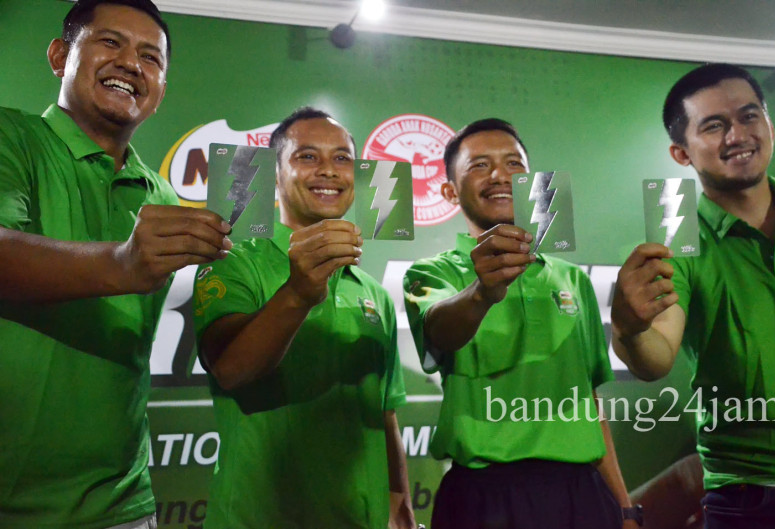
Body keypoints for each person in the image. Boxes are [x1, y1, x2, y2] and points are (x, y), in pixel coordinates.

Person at [0, 1, 232, 528]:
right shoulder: (11, 138)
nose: (131, 63)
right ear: (60, 56)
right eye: (110, 43)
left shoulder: (162, 194)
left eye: (151, 57)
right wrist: (122, 263)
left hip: (122, 504)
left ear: (161, 89)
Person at [611, 63, 775, 528]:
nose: (738, 134)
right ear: (681, 153)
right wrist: (629, 330)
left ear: (769, 125)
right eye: (714, 125)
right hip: (754, 495)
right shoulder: (677, 242)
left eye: (749, 116)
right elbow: (656, 357)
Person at [403, 118, 638, 529]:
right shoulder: (430, 274)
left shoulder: (571, 278)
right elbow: (438, 330)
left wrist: (623, 506)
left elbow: (589, 404)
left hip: (581, 493)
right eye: (479, 165)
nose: (500, 175)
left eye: (514, 164)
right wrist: (482, 293)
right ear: (448, 191)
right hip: (483, 495)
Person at [192, 107, 416, 529]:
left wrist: (400, 500)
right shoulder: (232, 263)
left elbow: (384, 413)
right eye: (307, 157)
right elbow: (231, 370)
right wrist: (298, 292)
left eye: (342, 158)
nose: (328, 170)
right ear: (274, 175)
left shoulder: (371, 292)